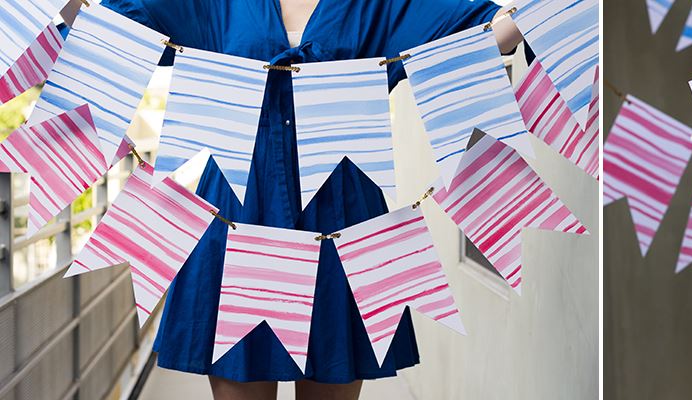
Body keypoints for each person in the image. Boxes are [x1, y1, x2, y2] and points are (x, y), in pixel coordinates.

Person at [61, 1, 524, 399]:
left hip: (342, 222)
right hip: (237, 214)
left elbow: (488, 36)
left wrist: (547, 16)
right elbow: (99, 27)